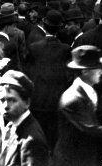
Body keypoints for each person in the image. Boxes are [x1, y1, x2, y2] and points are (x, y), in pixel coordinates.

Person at [23, 9, 71, 149]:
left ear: (44, 25)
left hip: (37, 99)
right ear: (59, 27)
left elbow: (27, 72)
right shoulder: (65, 49)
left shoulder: (34, 48)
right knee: (53, 138)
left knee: (36, 137)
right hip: (57, 101)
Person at [0, 70, 49, 166]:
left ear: (27, 103)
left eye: (12, 100)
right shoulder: (10, 127)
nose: (5, 106)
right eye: (2, 100)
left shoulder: (32, 141)